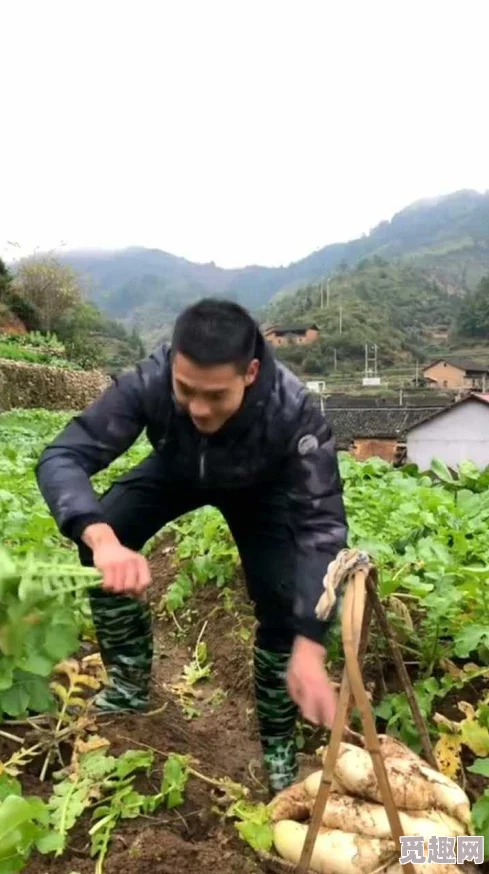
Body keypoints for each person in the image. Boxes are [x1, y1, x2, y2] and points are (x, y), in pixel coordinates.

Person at [35, 298, 348, 794]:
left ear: (250, 372)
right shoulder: (150, 379)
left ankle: (279, 749)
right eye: (186, 391)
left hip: (258, 489)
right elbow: (64, 456)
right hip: (178, 470)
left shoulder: (294, 413)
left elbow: (323, 527)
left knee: (286, 600)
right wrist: (101, 538)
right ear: (173, 364)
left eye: (215, 395)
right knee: (107, 525)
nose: (199, 409)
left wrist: (311, 643)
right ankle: (129, 685)